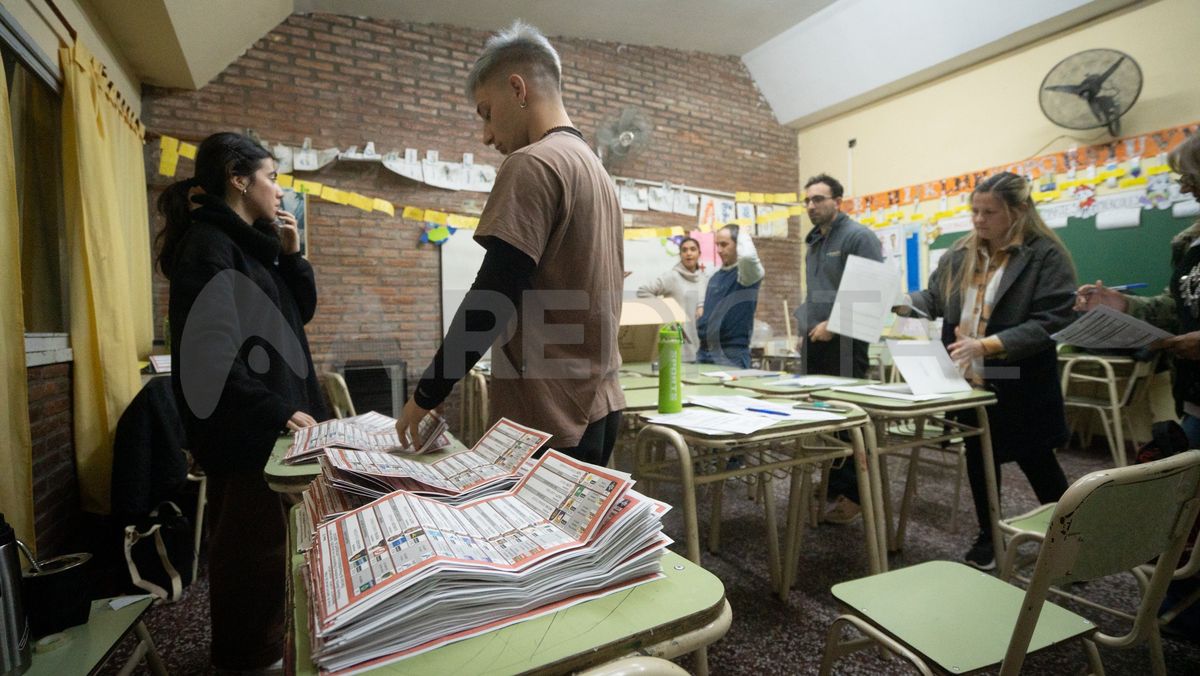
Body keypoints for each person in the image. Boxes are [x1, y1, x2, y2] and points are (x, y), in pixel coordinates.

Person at [397, 21, 625, 466]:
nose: (486, 135)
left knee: (544, 538)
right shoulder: (597, 172)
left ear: (518, 88)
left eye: (486, 112)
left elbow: (494, 294)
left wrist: (428, 391)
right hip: (599, 402)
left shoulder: (533, 164)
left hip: (550, 414)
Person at [158, 131, 326, 672]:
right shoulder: (210, 247)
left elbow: (294, 317)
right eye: (271, 176)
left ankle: (265, 649)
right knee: (251, 554)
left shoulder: (251, 246)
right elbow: (208, 358)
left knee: (270, 550)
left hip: (265, 423)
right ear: (237, 178)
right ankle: (246, 661)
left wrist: (292, 256)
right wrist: (276, 408)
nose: (279, 191)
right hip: (245, 429)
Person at [900, 171, 1076, 570]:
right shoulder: (961, 253)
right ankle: (989, 533)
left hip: (1017, 375)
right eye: (974, 211)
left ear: (1018, 211)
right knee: (980, 455)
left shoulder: (1045, 255)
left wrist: (988, 345)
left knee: (1037, 459)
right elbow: (934, 298)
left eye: (989, 212)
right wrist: (903, 305)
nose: (979, 220)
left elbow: (1052, 320)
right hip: (971, 379)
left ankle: (1070, 542)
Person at [797, 173, 884, 524]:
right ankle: (834, 484)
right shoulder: (815, 241)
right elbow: (816, 292)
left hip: (847, 341)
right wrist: (805, 327)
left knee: (849, 420)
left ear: (838, 201)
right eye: (807, 201)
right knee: (825, 417)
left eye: (818, 199)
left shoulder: (858, 237)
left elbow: (869, 291)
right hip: (816, 339)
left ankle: (854, 496)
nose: (811, 206)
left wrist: (834, 325)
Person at [695, 224, 764, 367]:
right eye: (717, 245)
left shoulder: (747, 275)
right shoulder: (716, 277)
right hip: (704, 351)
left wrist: (743, 233)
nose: (719, 250)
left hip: (730, 353)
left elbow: (747, 257)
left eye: (724, 244)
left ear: (738, 245)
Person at [637, 236, 709, 361]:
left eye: (693, 249)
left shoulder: (705, 279)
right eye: (684, 250)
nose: (689, 253)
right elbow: (643, 291)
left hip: (701, 348)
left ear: (699, 254)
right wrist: (667, 312)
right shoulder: (672, 277)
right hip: (677, 344)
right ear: (680, 255)